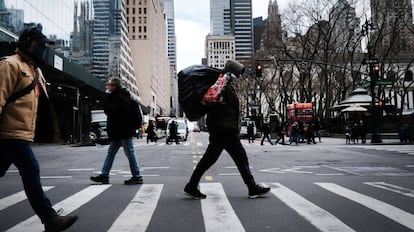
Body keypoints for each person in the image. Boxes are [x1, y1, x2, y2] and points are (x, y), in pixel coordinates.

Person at [0, 25, 78, 232]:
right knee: (31, 169)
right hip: (9, 133)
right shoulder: (10, 65)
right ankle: (50, 219)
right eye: (40, 45)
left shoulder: (37, 71)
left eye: (45, 46)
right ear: (27, 44)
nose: (43, 49)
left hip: (21, 133)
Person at [184, 60, 270, 199]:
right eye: (239, 74)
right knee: (209, 159)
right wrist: (220, 104)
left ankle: (252, 187)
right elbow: (211, 103)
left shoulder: (227, 85)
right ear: (232, 72)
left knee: (240, 158)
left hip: (228, 131)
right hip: (222, 130)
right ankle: (191, 186)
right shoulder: (221, 85)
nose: (240, 77)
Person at [90, 77, 143, 185]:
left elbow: (110, 110)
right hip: (119, 131)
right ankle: (104, 175)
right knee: (112, 153)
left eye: (109, 85)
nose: (107, 87)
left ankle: (137, 176)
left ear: (114, 86)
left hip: (123, 131)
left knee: (129, 153)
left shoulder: (120, 97)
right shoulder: (120, 96)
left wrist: (106, 97)